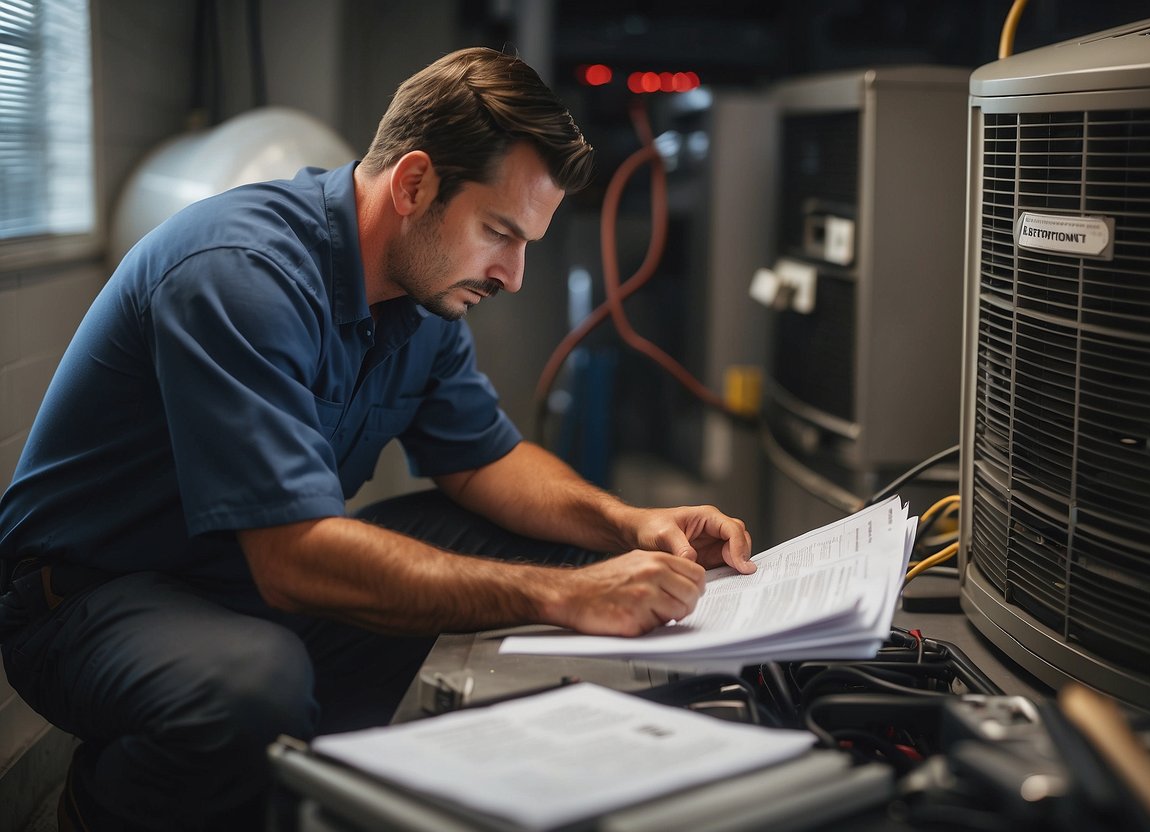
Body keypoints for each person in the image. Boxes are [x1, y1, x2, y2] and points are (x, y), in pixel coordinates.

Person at [0, 46, 754, 831]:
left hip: (242, 586)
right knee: (252, 685)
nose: (514, 274)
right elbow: (292, 560)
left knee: (553, 548)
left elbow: (486, 461)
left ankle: (296, 780)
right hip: (93, 600)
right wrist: (561, 596)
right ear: (414, 183)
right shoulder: (241, 274)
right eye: (500, 231)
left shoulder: (422, 299)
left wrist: (629, 526)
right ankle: (107, 804)